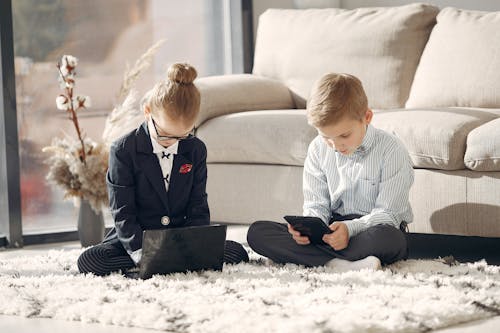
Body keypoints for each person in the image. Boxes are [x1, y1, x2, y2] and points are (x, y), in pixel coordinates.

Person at [78, 63, 248, 276]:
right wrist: (142, 254)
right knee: (90, 261)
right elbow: (123, 213)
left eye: (183, 135)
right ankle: (161, 262)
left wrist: (197, 244)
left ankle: (169, 261)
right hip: (136, 238)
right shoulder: (123, 150)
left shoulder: (195, 149)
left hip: (179, 237)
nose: (173, 142)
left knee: (237, 252)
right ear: (147, 112)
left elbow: (198, 205)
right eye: (166, 135)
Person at [247, 73, 413, 272]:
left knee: (390, 239)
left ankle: (312, 259)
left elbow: (389, 215)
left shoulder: (391, 149)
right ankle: (340, 263)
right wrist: (307, 229)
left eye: (344, 135)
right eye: (327, 137)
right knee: (258, 232)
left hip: (371, 229)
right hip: (331, 232)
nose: (336, 146)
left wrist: (350, 229)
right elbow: (316, 205)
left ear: (366, 117)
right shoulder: (318, 148)